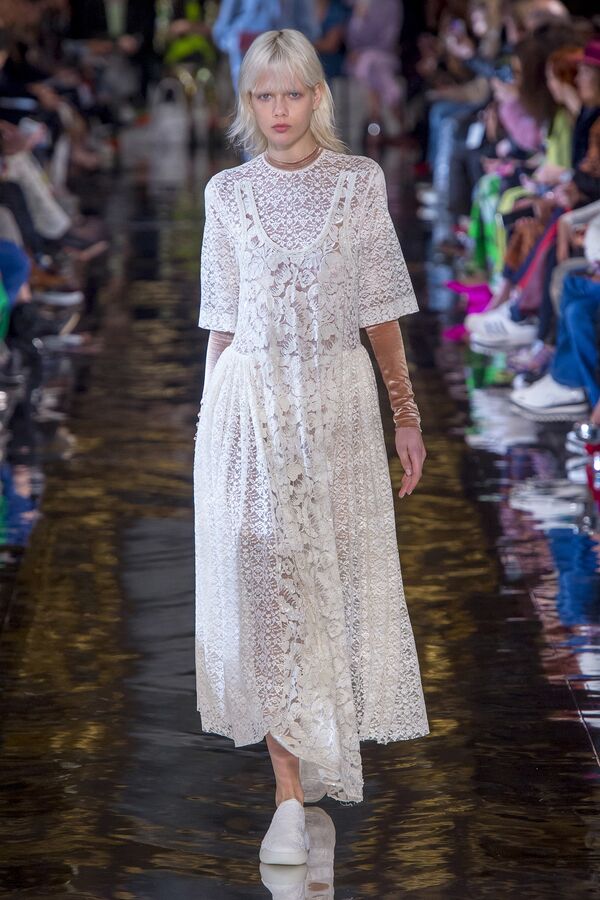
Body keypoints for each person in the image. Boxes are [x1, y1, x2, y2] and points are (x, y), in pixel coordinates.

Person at [194, 28, 429, 865]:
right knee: (266, 584)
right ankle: (287, 795)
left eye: (292, 93)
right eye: (264, 95)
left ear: (317, 96)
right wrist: (206, 435)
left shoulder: (358, 183)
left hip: (337, 409)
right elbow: (221, 323)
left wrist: (406, 413)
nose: (279, 109)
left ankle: (319, 736)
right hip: (250, 411)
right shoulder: (227, 194)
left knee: (330, 577)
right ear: (248, 103)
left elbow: (380, 309)